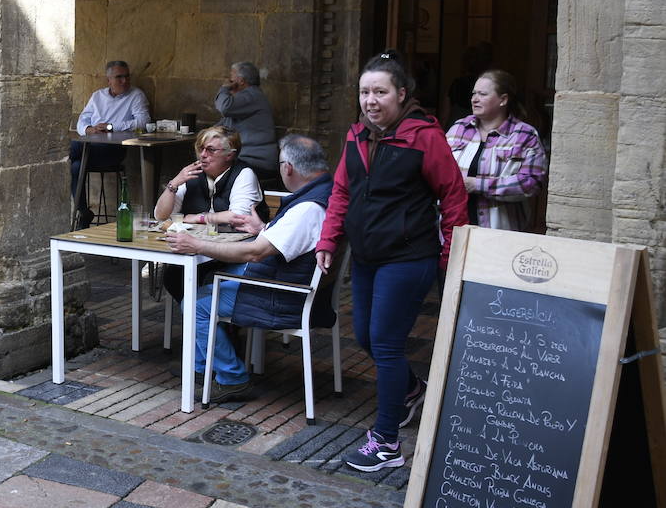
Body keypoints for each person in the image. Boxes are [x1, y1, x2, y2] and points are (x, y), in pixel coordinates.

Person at [315, 50, 466, 472]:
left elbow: (453, 195)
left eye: (380, 91)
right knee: (364, 335)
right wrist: (329, 240)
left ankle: (386, 442)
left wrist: (452, 256)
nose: (371, 100)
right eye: (364, 92)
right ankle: (412, 389)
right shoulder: (356, 136)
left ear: (401, 94)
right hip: (366, 257)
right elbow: (341, 192)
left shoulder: (424, 137)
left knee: (384, 342)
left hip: (408, 257)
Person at [166, 134, 333, 405]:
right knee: (208, 279)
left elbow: (254, 253)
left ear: (287, 168)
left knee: (195, 304)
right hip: (293, 285)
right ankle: (201, 366)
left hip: (281, 296)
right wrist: (263, 230)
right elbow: (289, 241)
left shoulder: (308, 208)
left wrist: (196, 244)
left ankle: (232, 378)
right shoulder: (325, 194)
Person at [152, 125, 269, 303]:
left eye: (211, 150)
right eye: (201, 148)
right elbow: (160, 215)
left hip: (237, 254)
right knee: (173, 276)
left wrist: (199, 218)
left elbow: (238, 217)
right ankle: (203, 322)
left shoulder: (243, 174)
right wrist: (174, 184)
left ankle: (208, 322)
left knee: (207, 278)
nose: (203, 155)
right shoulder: (192, 174)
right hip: (200, 251)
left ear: (229, 155)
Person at [446, 70, 547, 233]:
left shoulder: (524, 135)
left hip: (500, 234)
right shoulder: (458, 129)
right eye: (474, 94)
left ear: (503, 100)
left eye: (483, 94)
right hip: (454, 230)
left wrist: (478, 185)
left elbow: (531, 183)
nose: (474, 99)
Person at [70, 61, 151, 228]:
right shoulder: (97, 96)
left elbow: (143, 121)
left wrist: (111, 126)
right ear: (108, 80)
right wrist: (89, 129)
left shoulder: (135, 95)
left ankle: (59, 162)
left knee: (71, 150)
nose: (124, 81)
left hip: (113, 150)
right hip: (90, 146)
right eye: (119, 77)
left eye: (127, 76)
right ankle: (84, 212)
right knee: (75, 166)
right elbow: (82, 119)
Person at [214, 61, 277, 175]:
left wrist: (224, 88)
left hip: (256, 161)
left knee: (216, 170)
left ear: (241, 81)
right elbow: (222, 125)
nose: (229, 81)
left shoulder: (252, 96)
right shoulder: (242, 101)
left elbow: (225, 107)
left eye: (231, 79)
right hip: (245, 158)